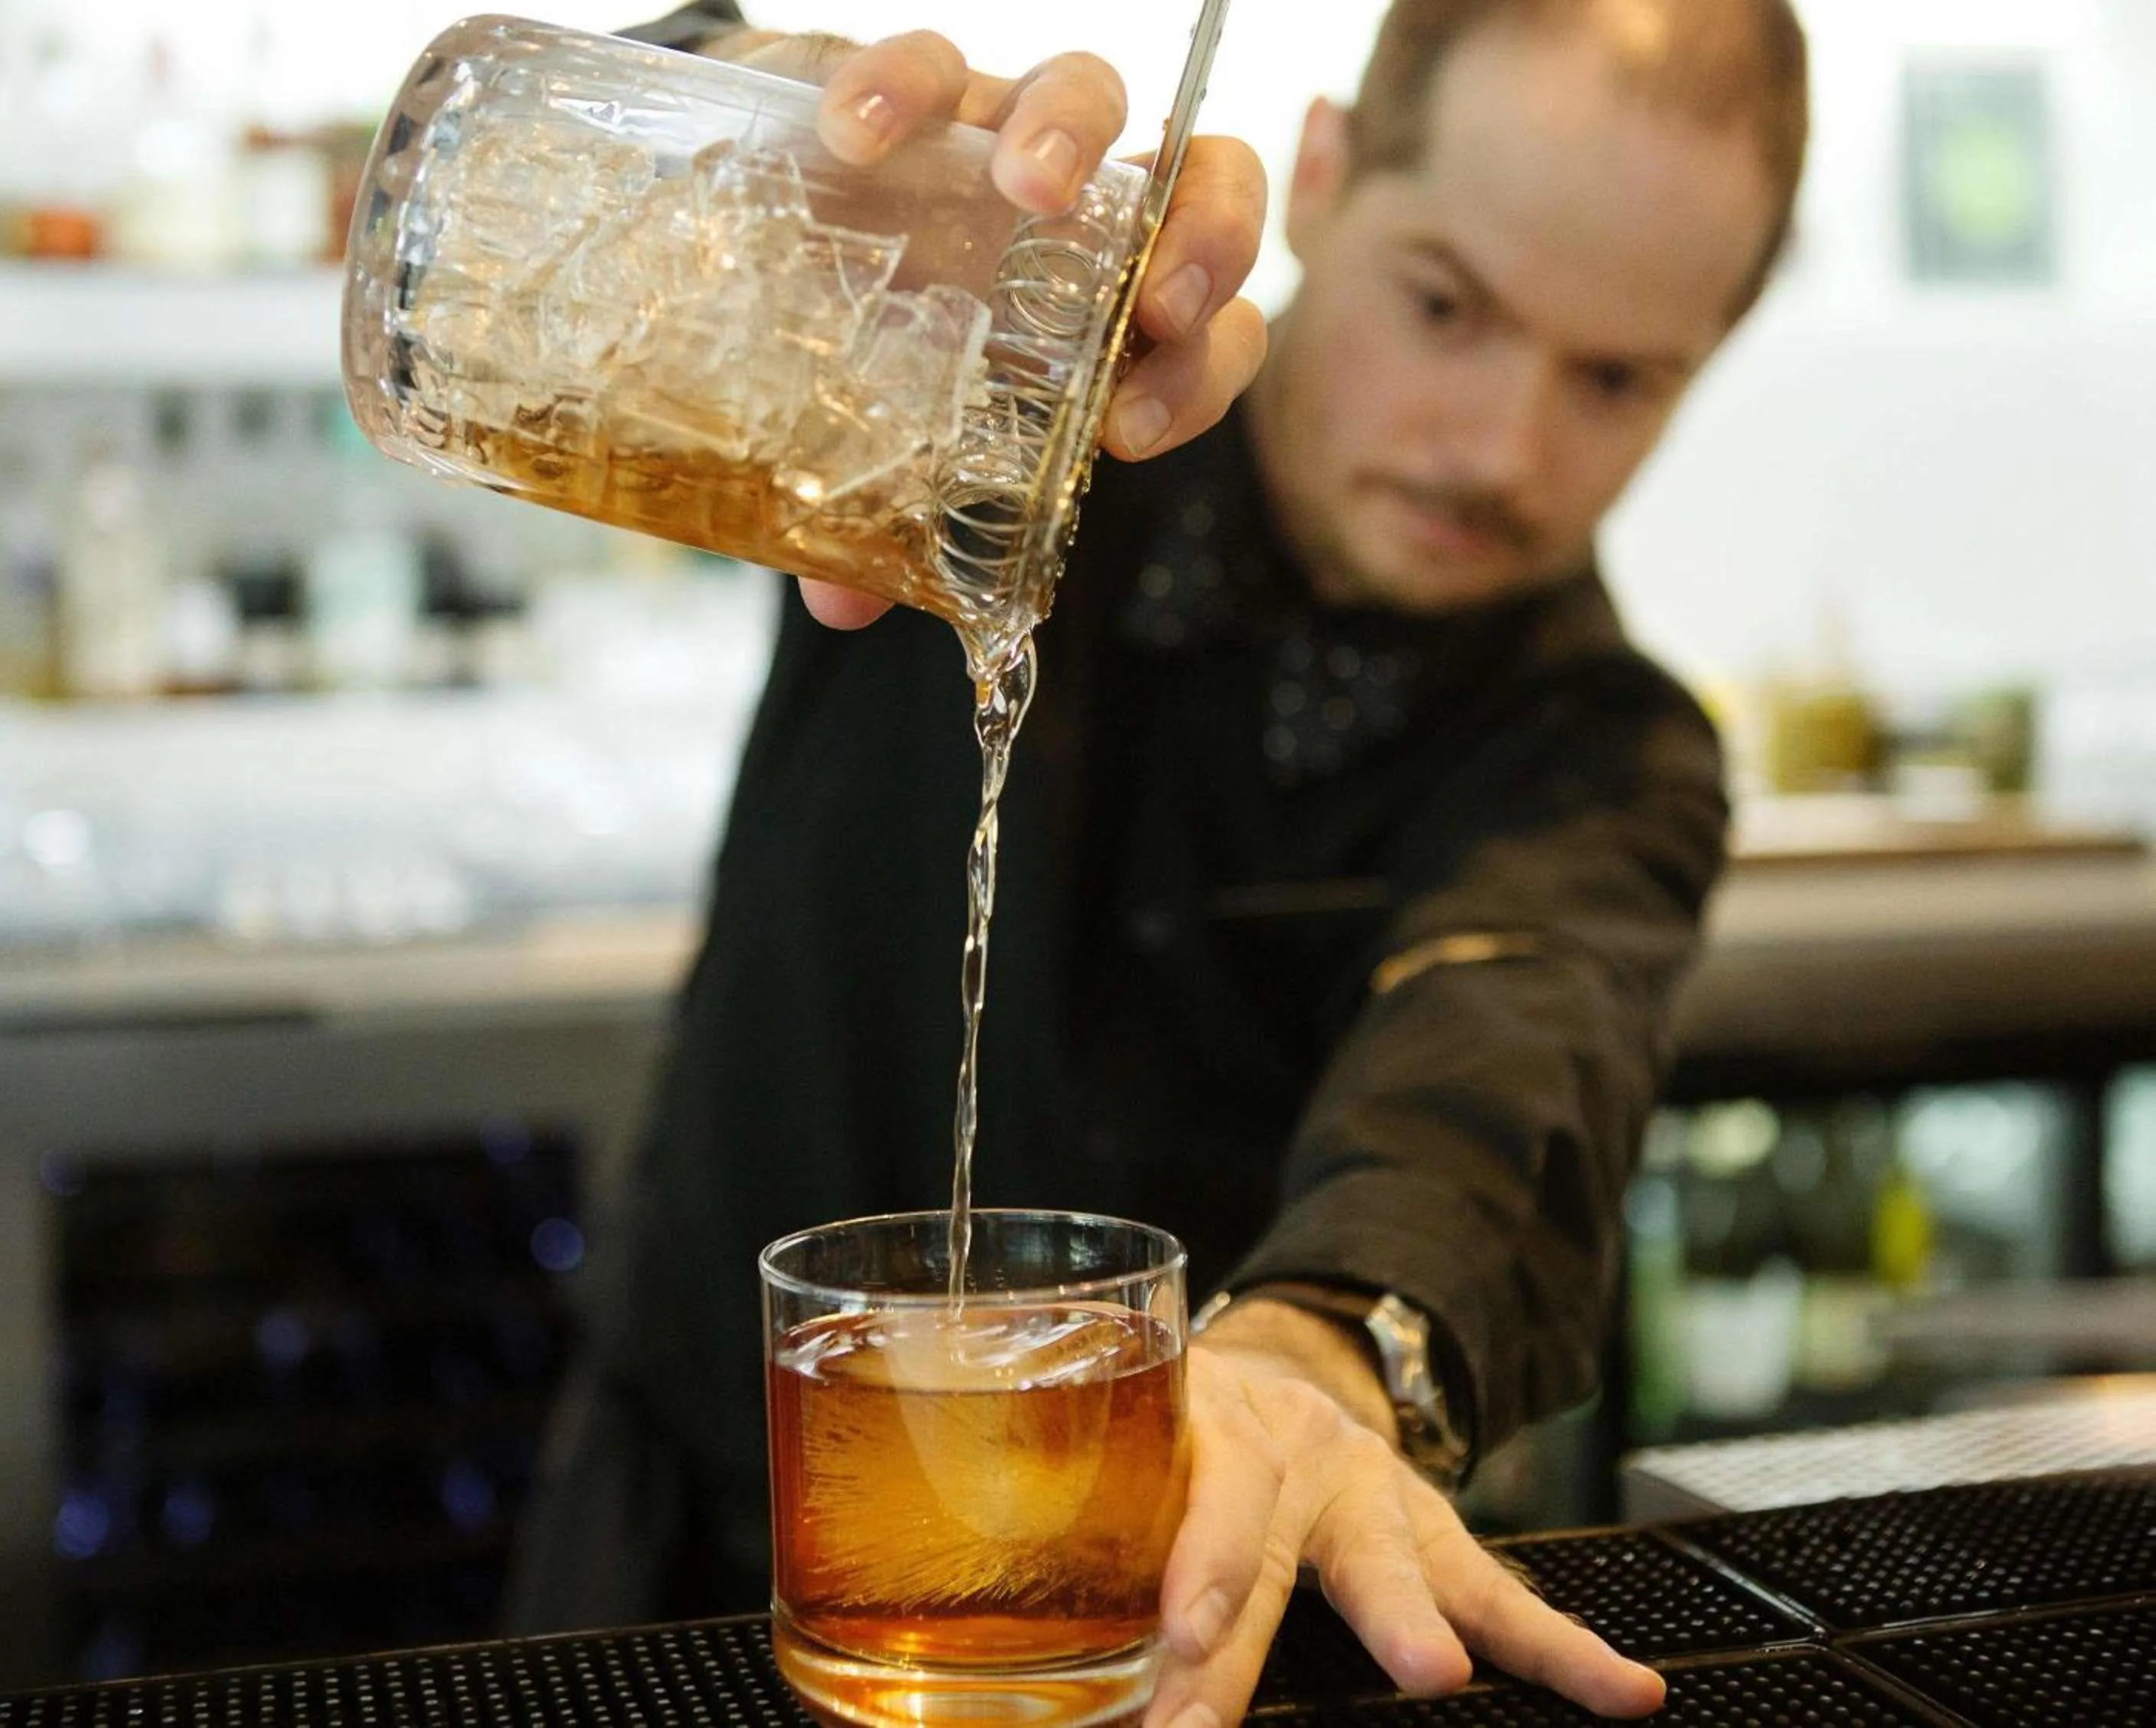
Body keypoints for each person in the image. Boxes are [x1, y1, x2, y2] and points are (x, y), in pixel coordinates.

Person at [512, 2, 1810, 1723]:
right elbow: (581, 269)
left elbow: (1513, 1057)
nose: (1498, 447)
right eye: (1448, 306)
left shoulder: (1602, 749)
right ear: (1331, 173)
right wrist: (767, 153)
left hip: (1187, 1613)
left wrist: (1317, 1348)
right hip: (679, 1531)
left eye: (1617, 379)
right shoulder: (975, 411)